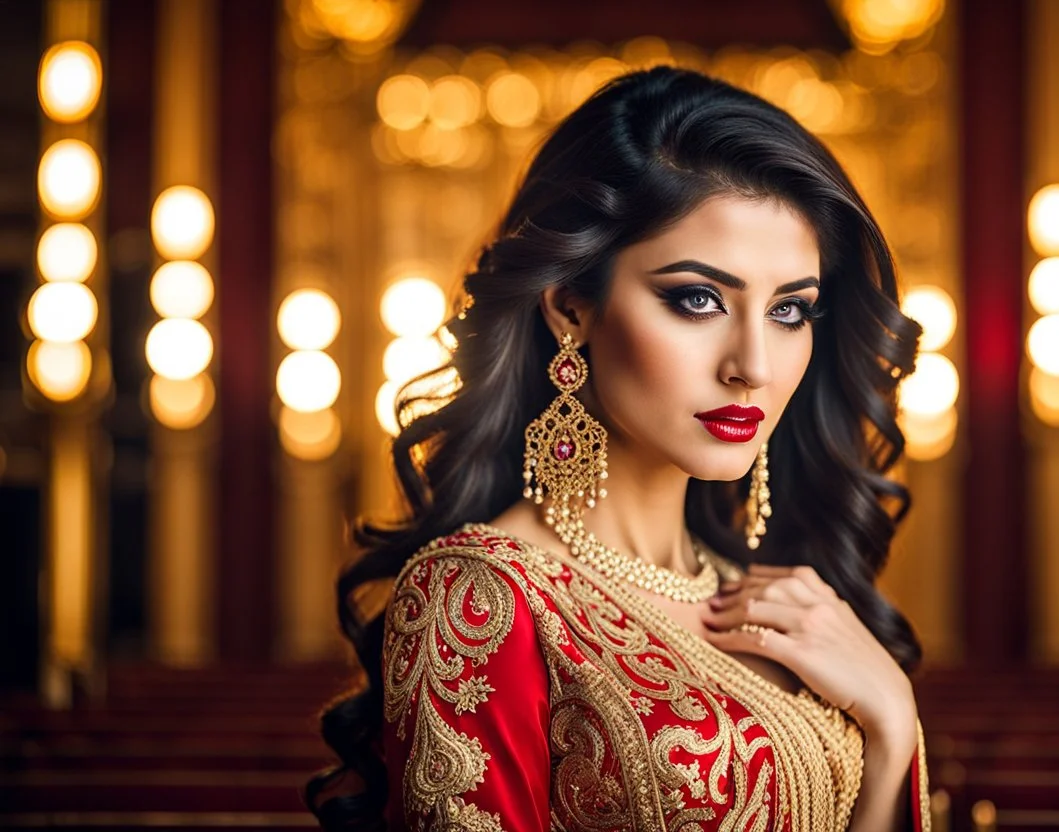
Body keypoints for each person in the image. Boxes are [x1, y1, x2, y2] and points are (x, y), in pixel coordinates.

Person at [306, 65, 931, 831]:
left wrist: (894, 725)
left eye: (790, 310)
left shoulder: (769, 595)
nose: (754, 367)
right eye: (698, 299)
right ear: (571, 307)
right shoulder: (480, 600)